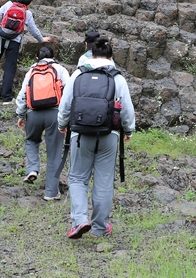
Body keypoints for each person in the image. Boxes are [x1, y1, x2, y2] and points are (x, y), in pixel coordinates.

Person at [57, 37, 135, 239]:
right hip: (109, 135)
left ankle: (80, 220)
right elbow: (126, 110)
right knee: (104, 181)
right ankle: (100, 227)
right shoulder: (117, 78)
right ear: (111, 57)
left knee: (77, 177)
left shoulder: (78, 74)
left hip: (80, 134)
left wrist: (62, 124)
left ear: (91, 55)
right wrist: (128, 131)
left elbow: (66, 104)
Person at [0, 0, 52, 104]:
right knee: (9, 69)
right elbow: (33, 29)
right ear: (28, 3)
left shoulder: (8, 5)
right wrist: (41, 39)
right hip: (14, 42)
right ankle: (7, 98)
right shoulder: (27, 13)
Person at [15, 45, 70, 200]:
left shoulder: (31, 71)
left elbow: (22, 95)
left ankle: (32, 168)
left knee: (31, 140)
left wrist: (21, 115)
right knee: (54, 153)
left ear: (36, 58)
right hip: (55, 114)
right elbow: (70, 91)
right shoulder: (60, 70)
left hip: (33, 114)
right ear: (53, 56)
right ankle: (51, 193)